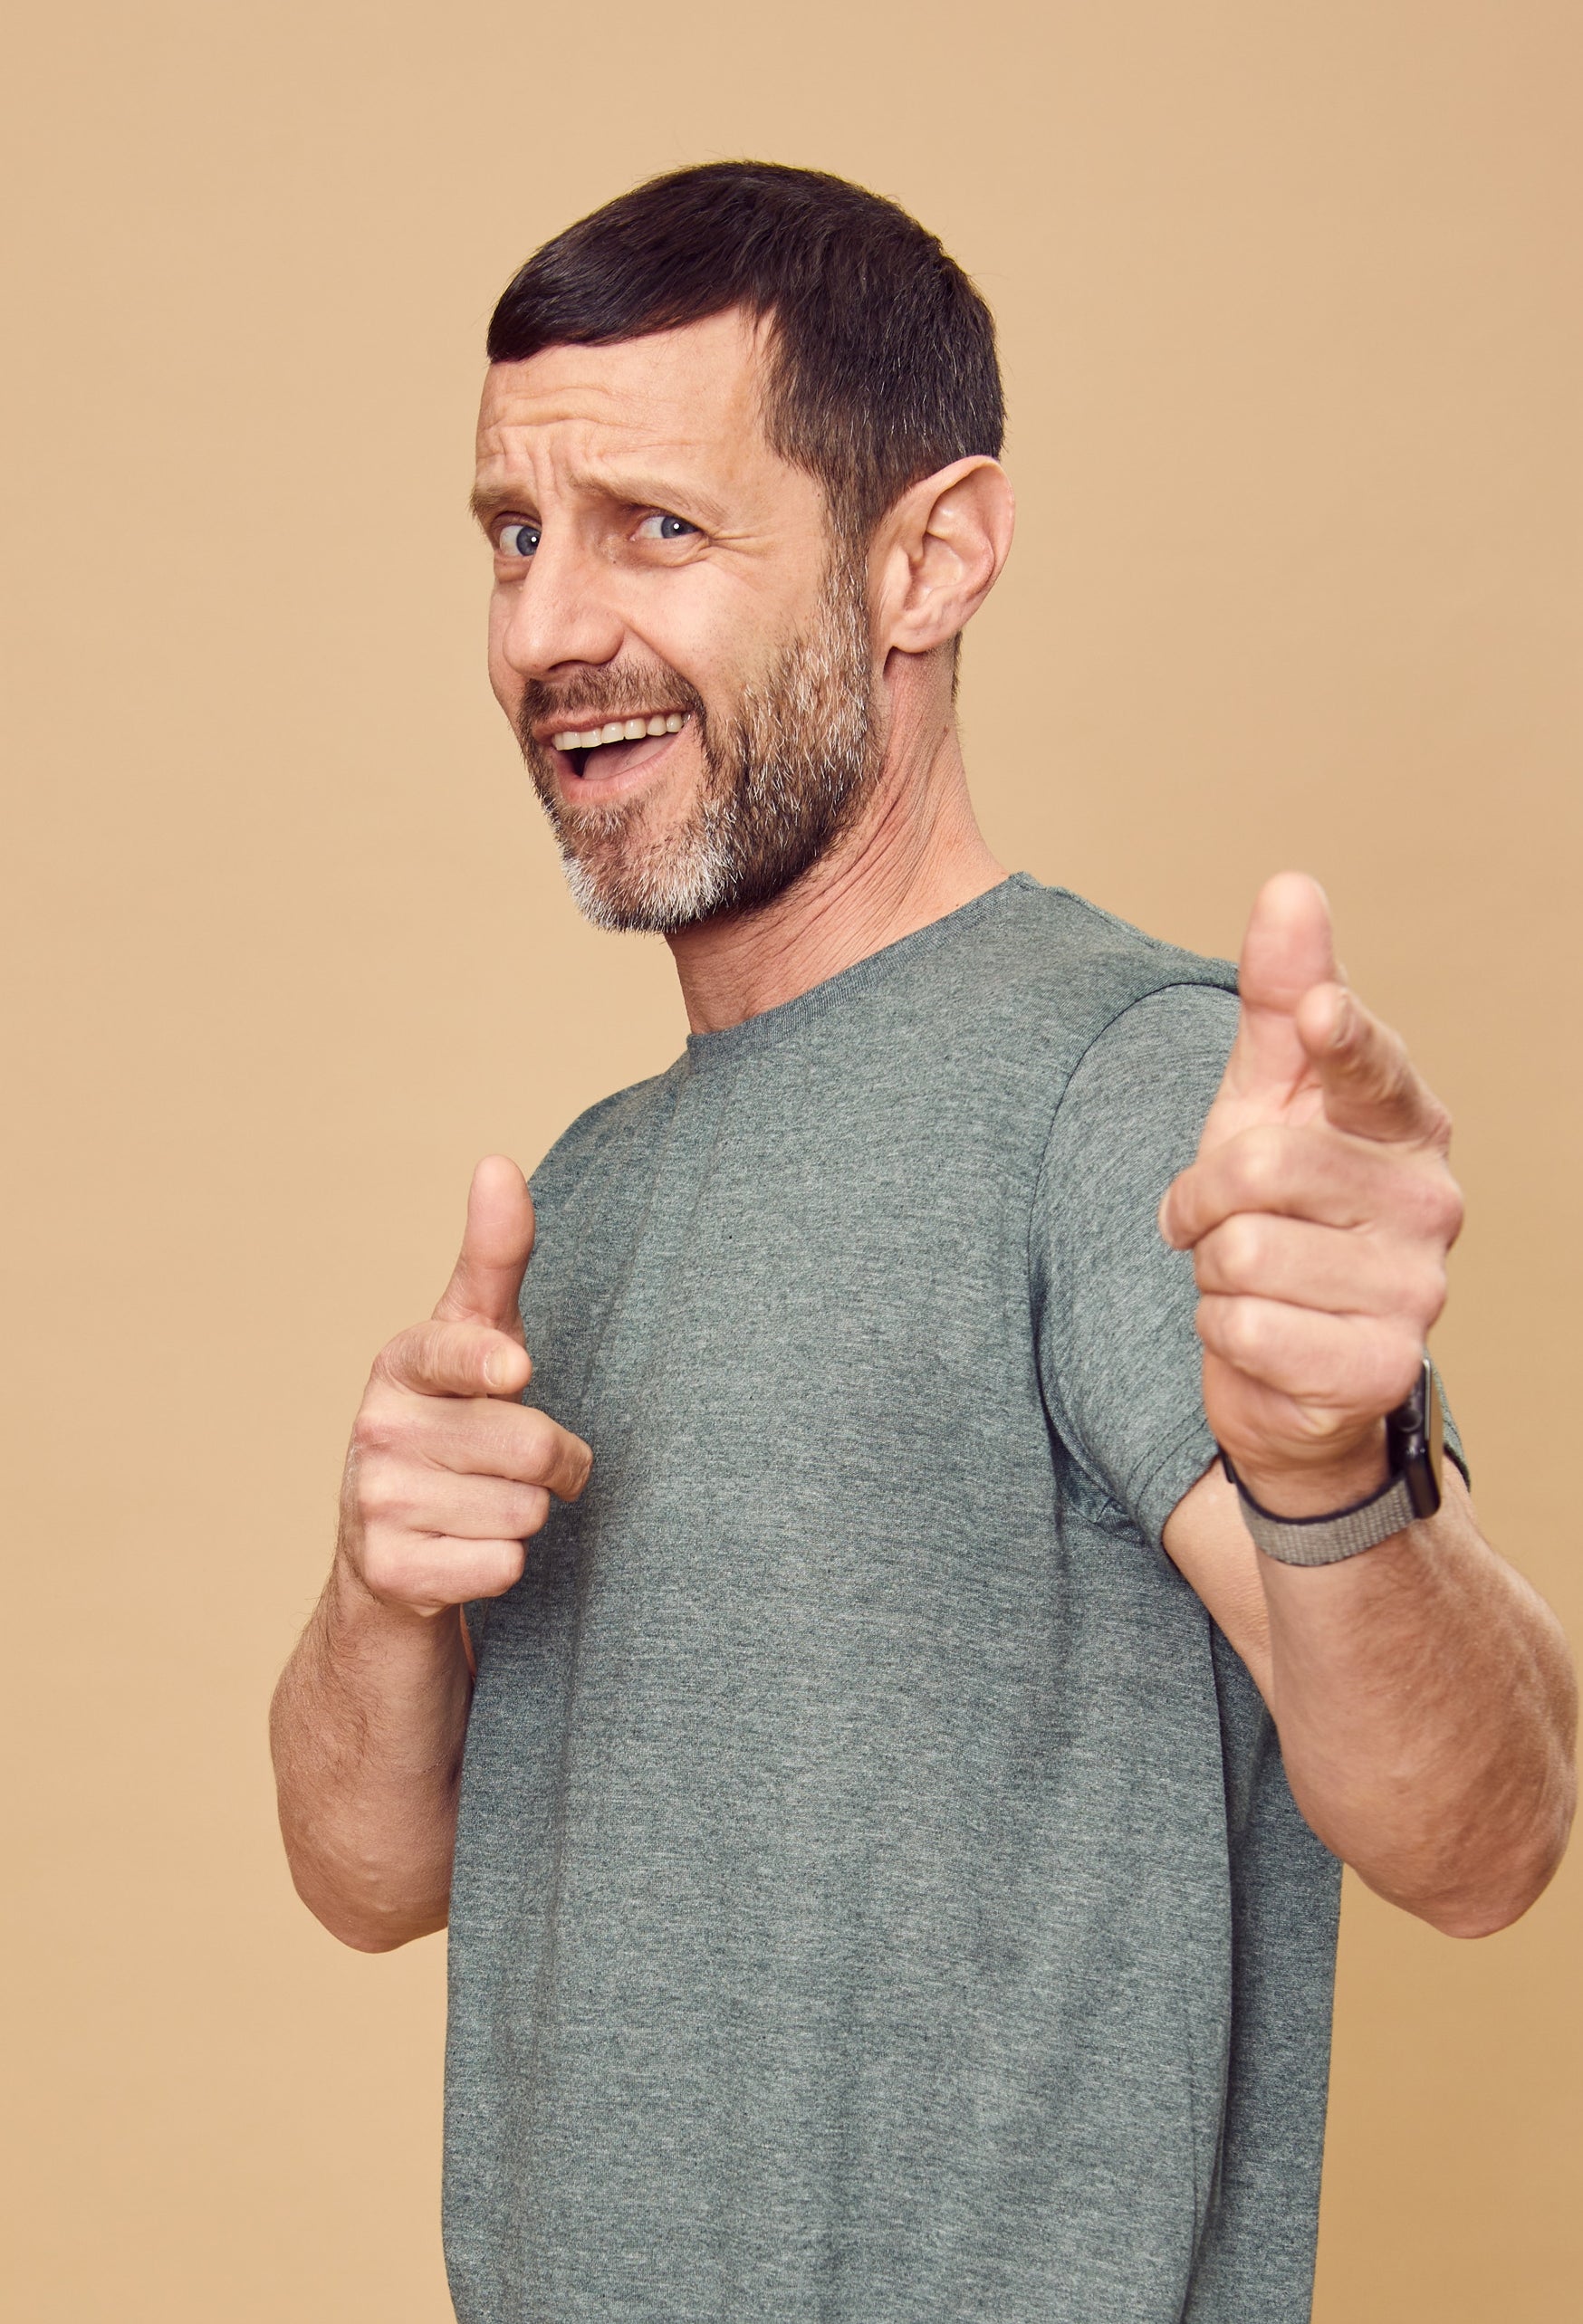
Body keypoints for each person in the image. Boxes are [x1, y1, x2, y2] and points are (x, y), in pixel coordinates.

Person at [270, 163, 1575, 2322]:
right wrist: (374, 1590)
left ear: (929, 560)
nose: (542, 631)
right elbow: (373, 1877)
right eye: (516, 535)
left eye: (655, 530)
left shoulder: (1119, 1094)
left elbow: (1492, 1833)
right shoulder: (583, 1199)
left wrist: (1332, 1473)